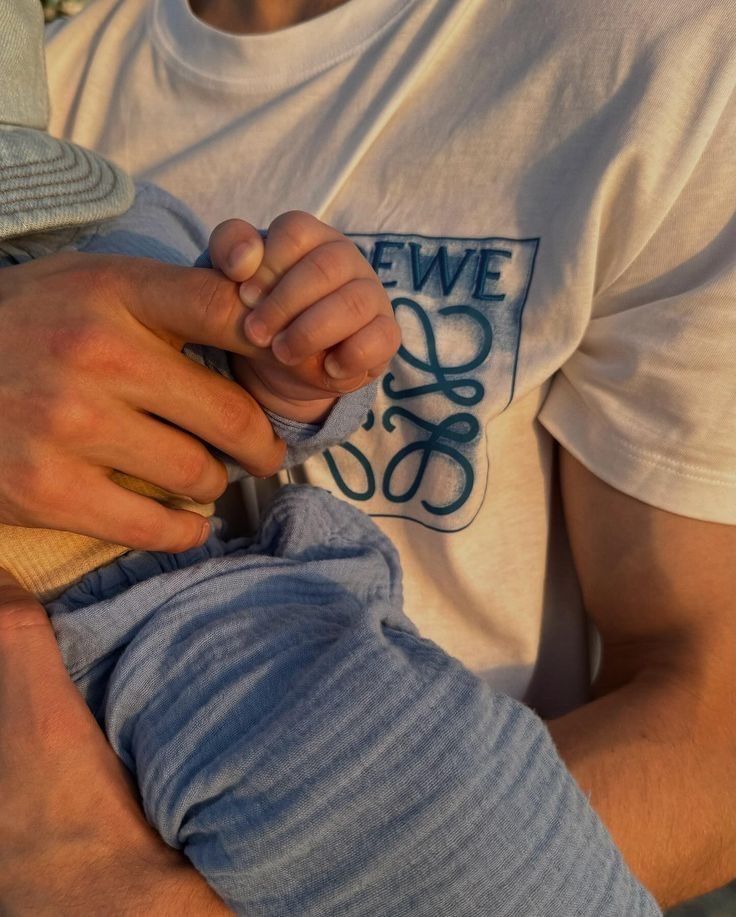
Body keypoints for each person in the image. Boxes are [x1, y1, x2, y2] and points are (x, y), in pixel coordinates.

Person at [2, 0, 735, 909]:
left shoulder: (657, 58)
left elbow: (713, 714)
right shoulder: (50, 61)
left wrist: (118, 895)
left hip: (260, 692)